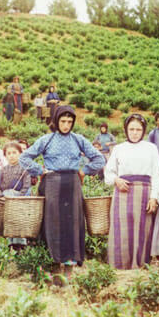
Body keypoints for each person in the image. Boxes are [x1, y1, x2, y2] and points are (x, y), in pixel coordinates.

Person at [19, 106, 105, 281]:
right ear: (56, 121)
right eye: (63, 121)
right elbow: (24, 158)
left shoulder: (78, 139)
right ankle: (53, 263)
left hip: (72, 185)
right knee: (53, 223)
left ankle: (69, 265)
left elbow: (99, 159)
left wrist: (83, 171)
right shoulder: (47, 139)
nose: (66, 125)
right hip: (52, 184)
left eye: (69, 122)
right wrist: (40, 170)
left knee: (72, 224)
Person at [104, 113, 159, 270]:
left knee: (143, 230)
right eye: (131, 129)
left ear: (143, 131)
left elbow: (156, 175)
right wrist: (116, 180)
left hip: (144, 194)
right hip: (122, 193)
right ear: (126, 130)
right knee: (121, 229)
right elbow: (108, 172)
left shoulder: (151, 148)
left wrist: (154, 198)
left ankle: (140, 265)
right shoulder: (118, 149)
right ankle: (120, 266)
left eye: (138, 129)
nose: (135, 132)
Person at [0, 142, 32, 250]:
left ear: (20, 153)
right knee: (10, 223)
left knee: (19, 223)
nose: (11, 155)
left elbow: (27, 186)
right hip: (6, 200)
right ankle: (11, 246)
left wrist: (20, 197)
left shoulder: (24, 169)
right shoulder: (2, 170)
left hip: (20, 201)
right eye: (9, 153)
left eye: (14, 153)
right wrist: (0, 195)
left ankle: (21, 246)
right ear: (5, 156)